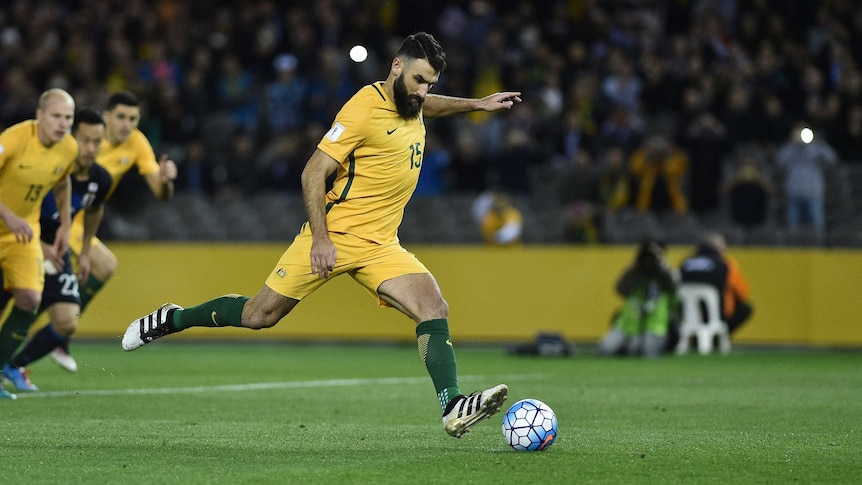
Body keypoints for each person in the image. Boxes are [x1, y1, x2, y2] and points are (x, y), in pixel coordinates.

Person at [122, 32, 519, 438]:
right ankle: (174, 318)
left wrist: (477, 104)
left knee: (434, 307)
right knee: (260, 315)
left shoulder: (411, 102)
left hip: (382, 243)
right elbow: (312, 171)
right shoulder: (363, 108)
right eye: (419, 80)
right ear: (396, 66)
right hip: (337, 232)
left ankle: (452, 405)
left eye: (430, 84)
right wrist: (322, 239)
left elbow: (426, 106)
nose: (423, 92)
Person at [48, 91, 178, 373]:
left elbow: (160, 193)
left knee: (104, 266)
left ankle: (56, 335)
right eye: (120, 117)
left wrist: (166, 180)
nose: (126, 124)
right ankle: (54, 335)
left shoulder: (137, 143)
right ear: (106, 116)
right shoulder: (83, 140)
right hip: (56, 219)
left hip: (84, 223)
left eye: (133, 118)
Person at [0, 107, 113, 392]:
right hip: (24, 241)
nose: (90, 148)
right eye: (85, 140)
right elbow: (24, 208)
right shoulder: (45, 165)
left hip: (53, 250)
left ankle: (12, 365)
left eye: (97, 141)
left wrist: (84, 250)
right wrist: (39, 243)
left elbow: (93, 213)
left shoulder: (100, 179)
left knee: (66, 320)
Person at [0, 88, 77, 400]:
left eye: (68, 118)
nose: (62, 124)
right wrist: (7, 215)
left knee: (30, 299)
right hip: (11, 223)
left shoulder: (68, 148)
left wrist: (65, 225)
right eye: (56, 116)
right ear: (40, 115)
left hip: (22, 234)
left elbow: (63, 181)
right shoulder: (14, 139)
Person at [597, 238, 679, 358]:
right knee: (605, 350)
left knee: (642, 350)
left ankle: (628, 348)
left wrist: (661, 267)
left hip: (654, 325)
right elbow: (621, 289)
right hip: (627, 324)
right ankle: (626, 347)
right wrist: (635, 266)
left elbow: (673, 290)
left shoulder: (669, 272)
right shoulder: (635, 270)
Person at [679, 232, 752, 335]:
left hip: (687, 314)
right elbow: (742, 293)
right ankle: (718, 337)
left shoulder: (686, 263)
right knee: (746, 308)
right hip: (715, 314)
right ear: (719, 248)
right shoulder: (726, 264)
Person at [774, 123, 837, 235]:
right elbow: (780, 160)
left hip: (813, 193)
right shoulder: (790, 149)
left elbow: (831, 159)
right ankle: (792, 251)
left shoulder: (817, 148)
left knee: (817, 228)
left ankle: (819, 249)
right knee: (793, 229)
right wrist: (791, 143)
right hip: (794, 194)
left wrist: (818, 142)